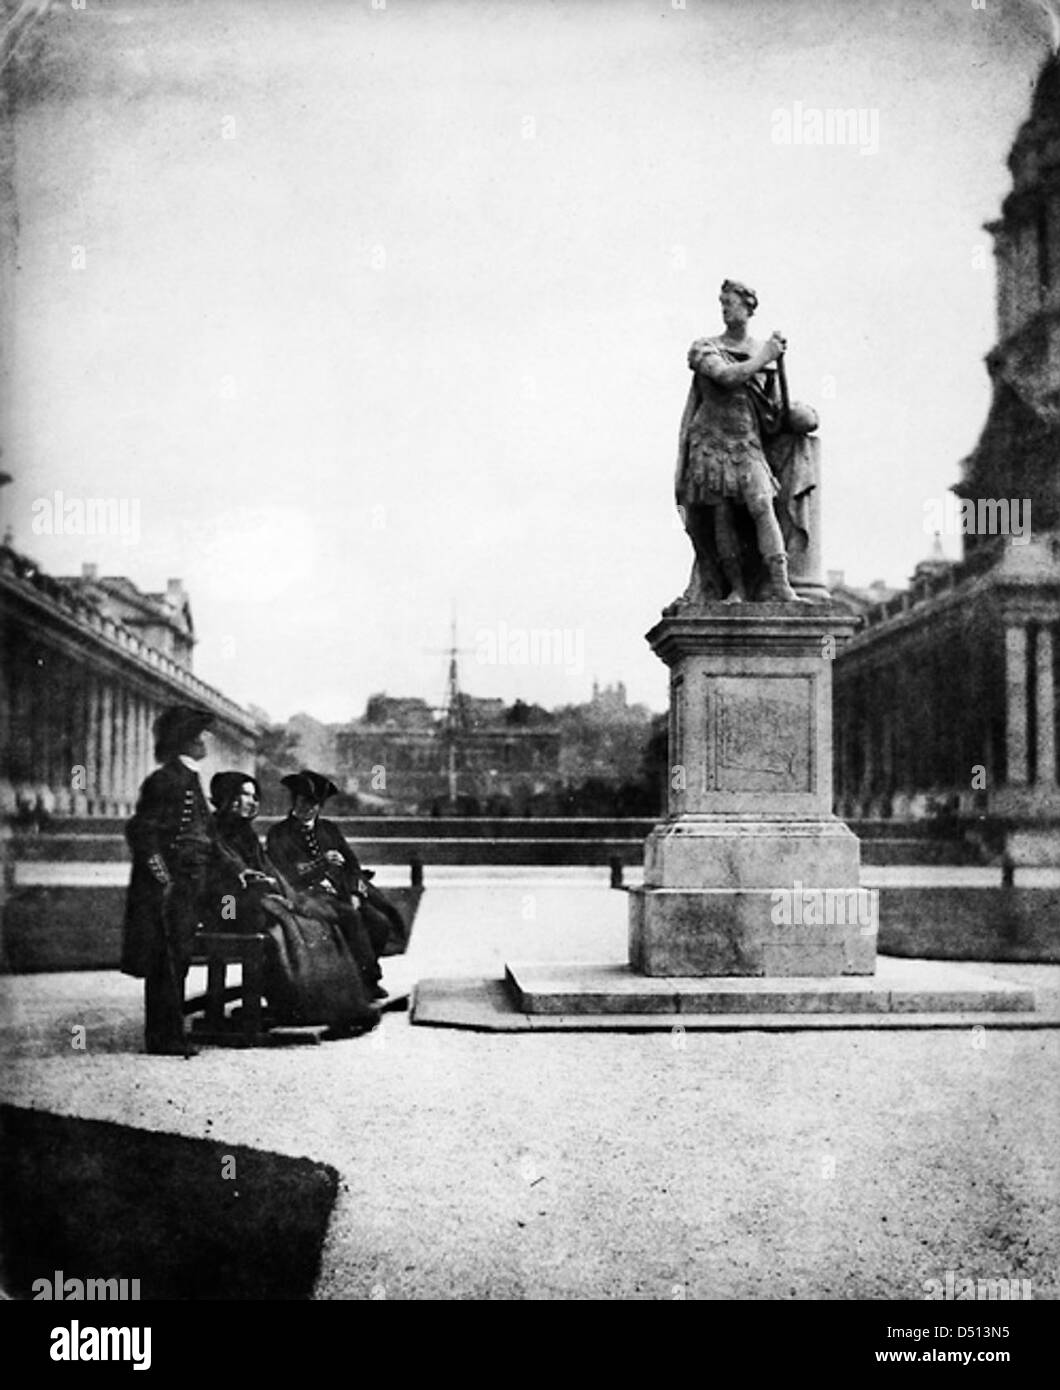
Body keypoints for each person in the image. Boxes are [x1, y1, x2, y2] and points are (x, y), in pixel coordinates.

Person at [205, 772, 378, 1033]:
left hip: (251, 901)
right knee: (283, 925)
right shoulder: (211, 830)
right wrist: (248, 881)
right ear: (228, 799)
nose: (254, 802)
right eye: (247, 796)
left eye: (255, 796)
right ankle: (299, 1005)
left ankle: (327, 1004)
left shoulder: (246, 833)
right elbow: (224, 870)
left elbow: (270, 871)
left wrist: (285, 894)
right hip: (224, 907)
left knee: (315, 923)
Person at [674, 278, 807, 605]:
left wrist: (800, 415)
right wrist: (765, 356)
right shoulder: (706, 348)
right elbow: (727, 377)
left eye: (730, 303)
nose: (725, 309)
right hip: (710, 443)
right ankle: (736, 589)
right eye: (722, 304)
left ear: (748, 307)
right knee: (723, 517)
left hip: (747, 442)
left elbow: (773, 409)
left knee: (762, 504)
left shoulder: (764, 353)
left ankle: (781, 585)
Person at [122, 704, 215, 1056]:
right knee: (166, 961)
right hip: (171, 889)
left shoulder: (190, 777)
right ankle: (163, 1037)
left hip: (191, 885)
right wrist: (165, 880)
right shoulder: (164, 780)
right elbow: (142, 834)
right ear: (187, 740)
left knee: (180, 958)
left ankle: (172, 1032)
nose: (207, 739)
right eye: (202, 733)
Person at [266, 770, 405, 1002]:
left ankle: (360, 978)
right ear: (294, 801)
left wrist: (355, 893)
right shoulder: (279, 833)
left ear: (320, 805)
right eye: (303, 801)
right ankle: (368, 982)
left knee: (379, 922)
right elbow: (285, 875)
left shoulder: (329, 829)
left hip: (340, 894)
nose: (308, 808)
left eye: (314, 803)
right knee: (351, 919)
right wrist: (321, 864)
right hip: (307, 897)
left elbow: (353, 866)